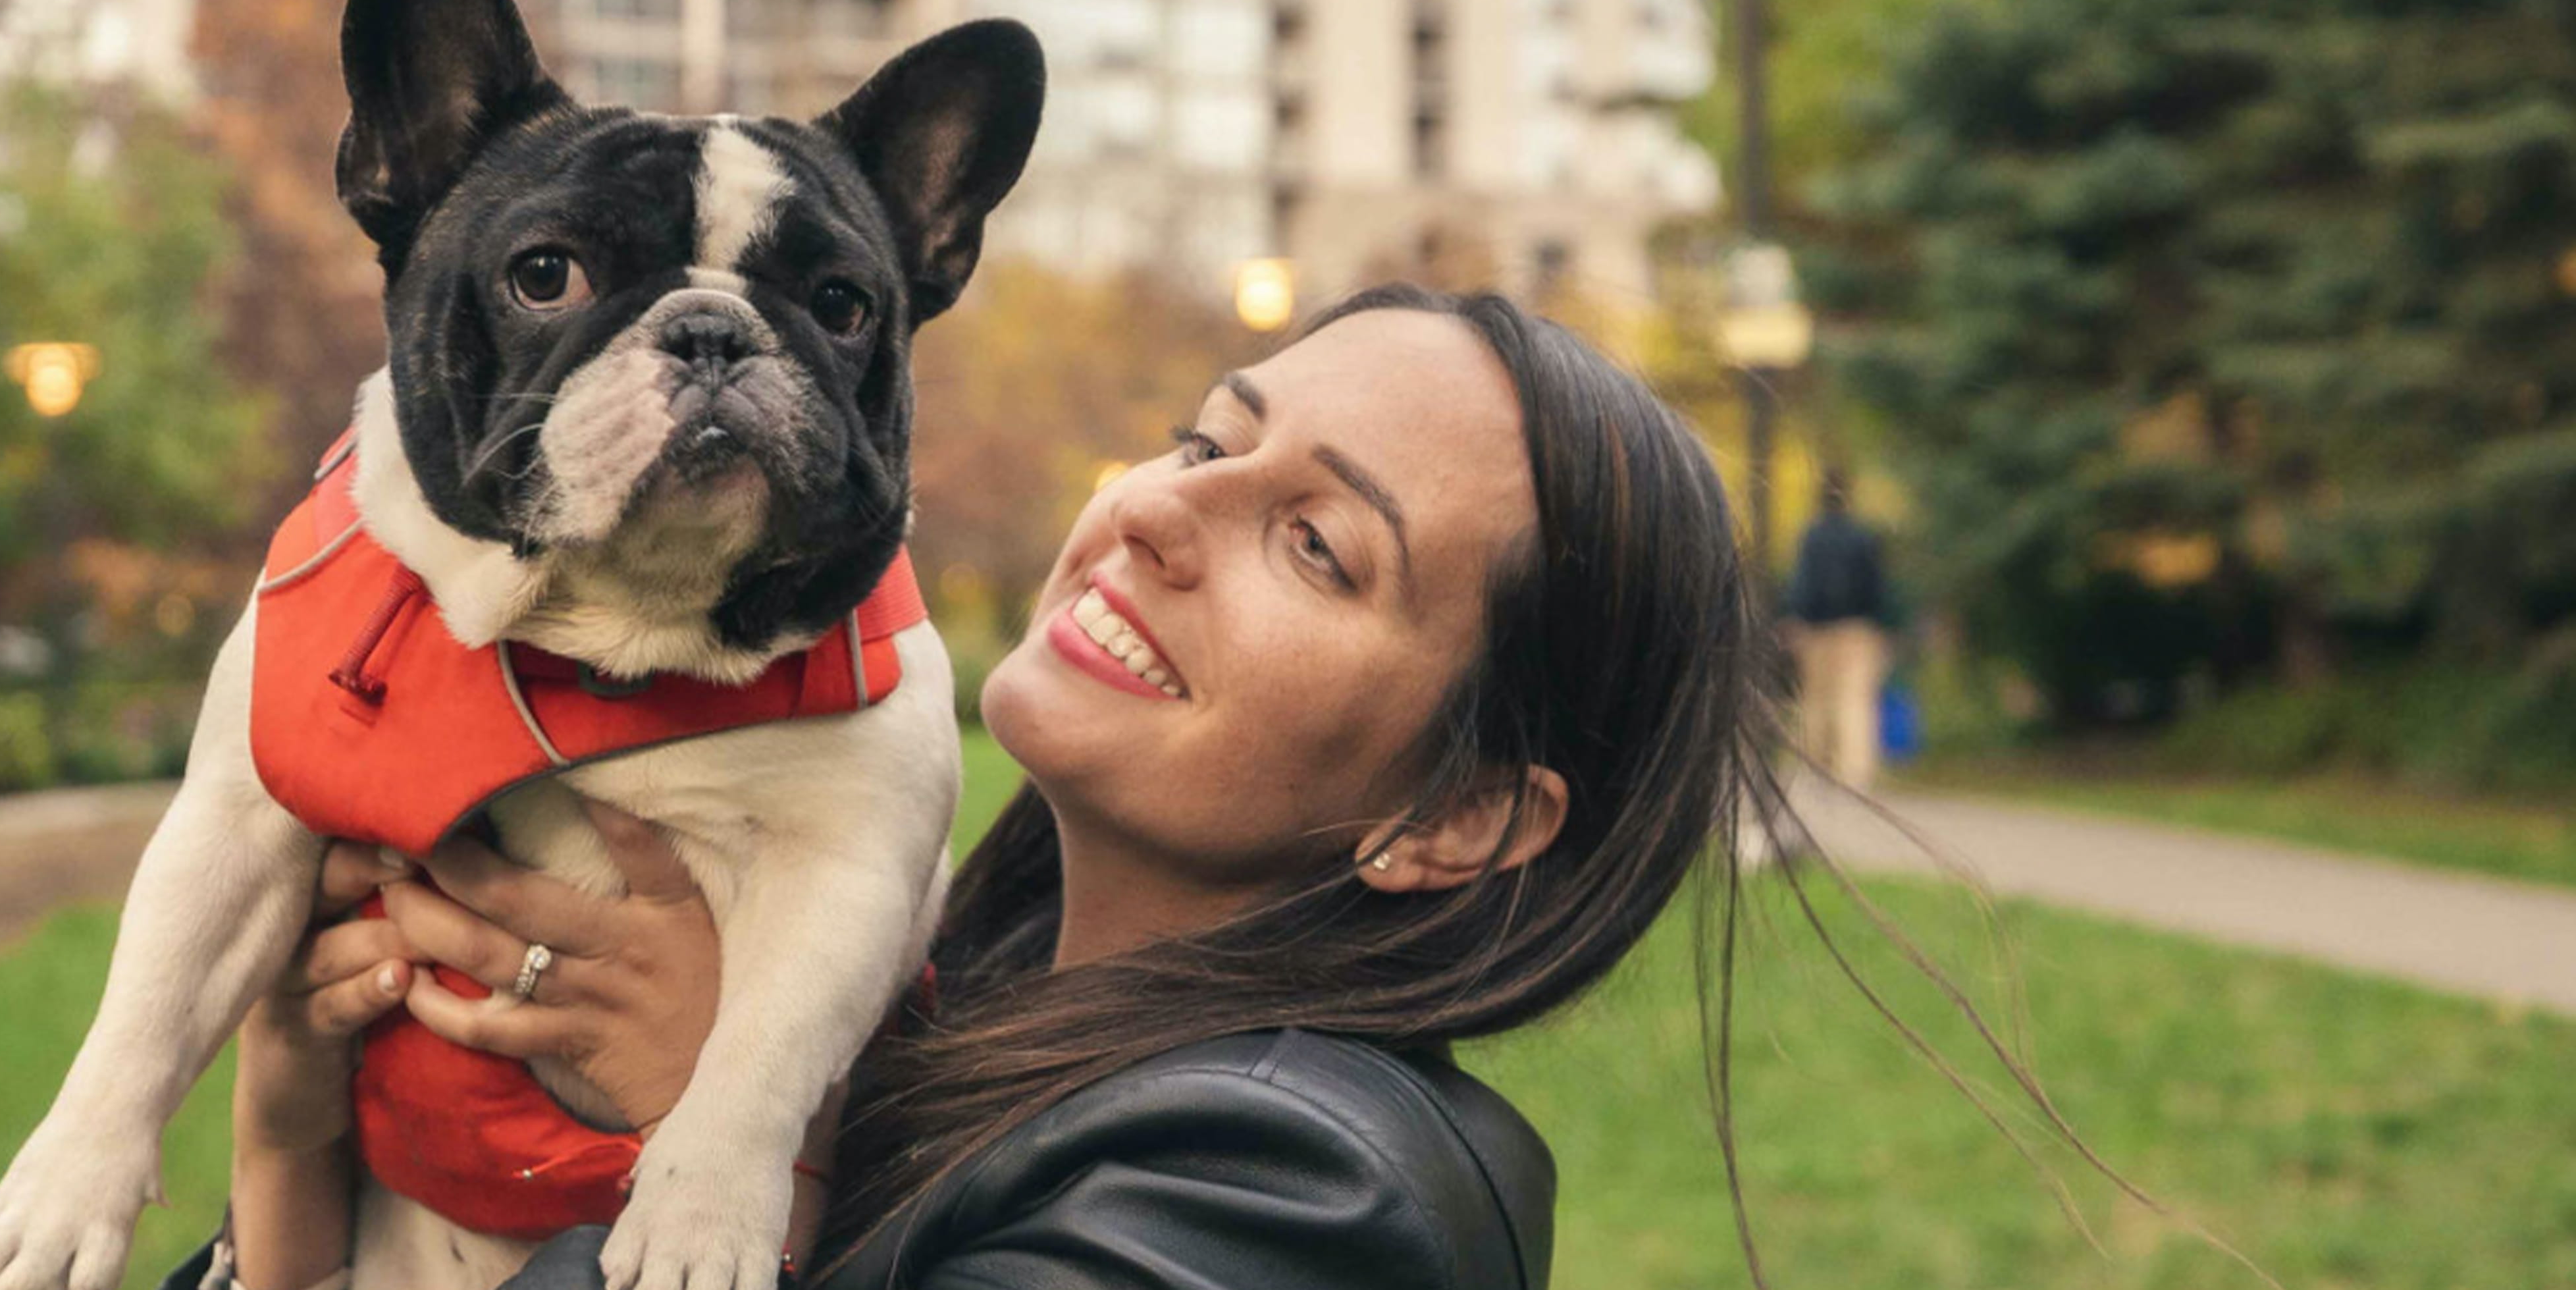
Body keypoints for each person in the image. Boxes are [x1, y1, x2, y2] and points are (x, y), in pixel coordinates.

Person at [172, 284, 1783, 1290]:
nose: (1156, 512)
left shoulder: (1306, 1193)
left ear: (1459, 817)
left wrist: (725, 1123)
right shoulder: (945, 992)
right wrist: (289, 1152)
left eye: (1314, 544)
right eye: (1203, 440)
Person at [1783, 470, 1893, 792]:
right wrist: (1882, 624)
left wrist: (1796, 618)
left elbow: (1802, 582)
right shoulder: (1863, 537)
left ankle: (1814, 768)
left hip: (1815, 629)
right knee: (1856, 701)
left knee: (1815, 701)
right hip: (1857, 628)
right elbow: (1877, 585)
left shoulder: (1812, 537)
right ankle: (1855, 773)